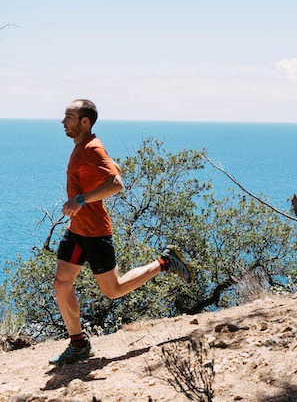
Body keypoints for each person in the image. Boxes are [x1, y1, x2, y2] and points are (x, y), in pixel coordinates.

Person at [51, 99, 195, 365]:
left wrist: (80, 200)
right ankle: (79, 343)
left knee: (113, 290)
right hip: (77, 231)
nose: (63, 121)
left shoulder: (92, 148)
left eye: (69, 117)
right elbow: (112, 168)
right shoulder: (84, 147)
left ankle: (164, 262)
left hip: (95, 233)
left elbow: (117, 184)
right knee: (61, 284)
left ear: (85, 121)